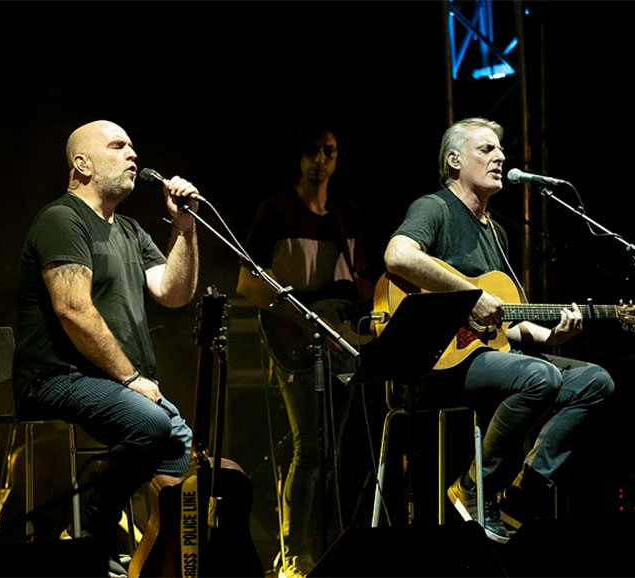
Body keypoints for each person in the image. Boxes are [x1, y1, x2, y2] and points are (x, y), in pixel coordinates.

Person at [383, 117, 615, 544]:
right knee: (539, 376)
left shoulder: (497, 233)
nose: (501, 157)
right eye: (486, 149)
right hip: (434, 363)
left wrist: (552, 337)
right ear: (454, 160)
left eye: (501, 150)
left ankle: (524, 493)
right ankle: (475, 486)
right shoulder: (434, 208)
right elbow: (398, 256)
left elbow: (506, 319)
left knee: (594, 381)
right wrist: (470, 295)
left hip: (487, 358)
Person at [12, 120, 199, 575]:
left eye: (132, 146)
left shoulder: (130, 230)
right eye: (117, 146)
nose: (132, 155)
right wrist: (131, 377)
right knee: (152, 424)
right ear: (82, 164)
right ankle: (94, 534)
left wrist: (185, 226)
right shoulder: (62, 219)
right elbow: (73, 310)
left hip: (107, 381)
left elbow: (174, 292)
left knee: (180, 440)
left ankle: (154, 554)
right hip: (57, 377)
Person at [236, 126, 374, 578]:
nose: (320, 160)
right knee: (310, 449)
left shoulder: (346, 212)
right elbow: (247, 283)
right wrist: (301, 318)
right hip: (294, 337)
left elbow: (357, 282)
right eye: (312, 151)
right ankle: (295, 552)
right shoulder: (275, 211)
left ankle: (330, 545)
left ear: (337, 158)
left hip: (340, 339)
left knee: (335, 451)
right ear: (299, 158)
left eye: (328, 152)